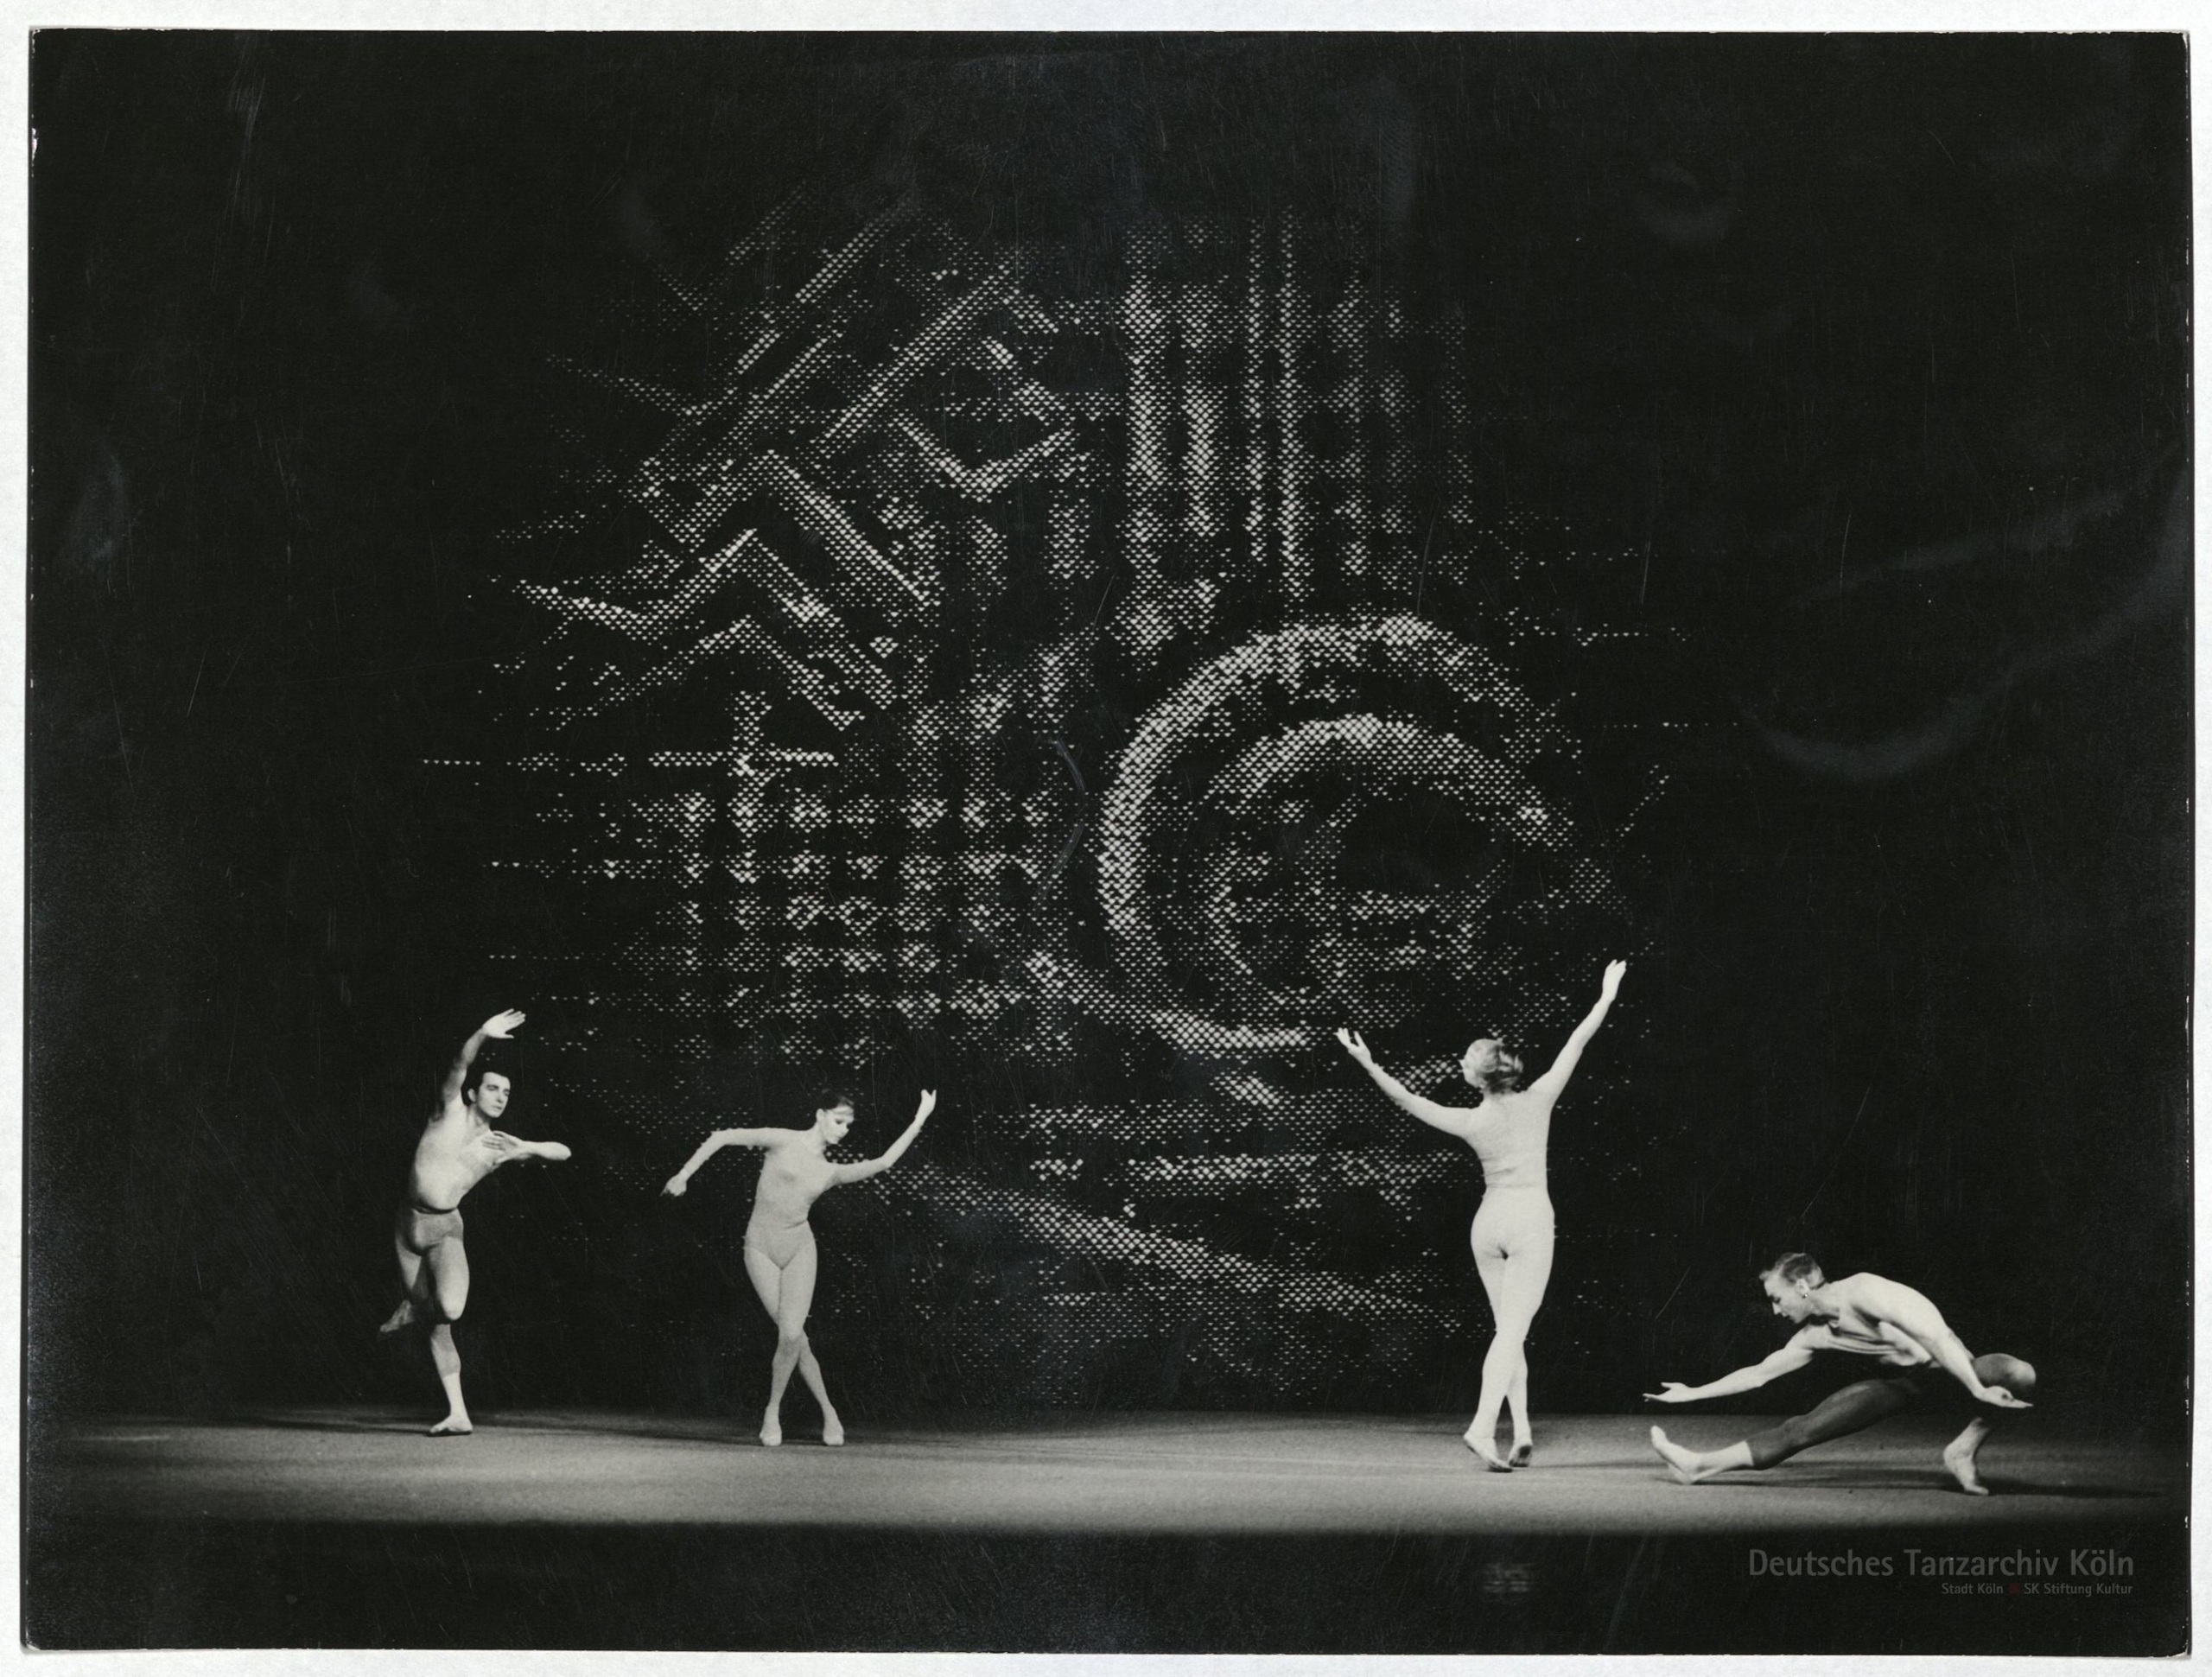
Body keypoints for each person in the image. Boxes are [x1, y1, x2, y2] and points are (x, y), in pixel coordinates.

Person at [1336, 960, 1627, 1470]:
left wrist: (1368, 1062)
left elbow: (1404, 1098)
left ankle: (1523, 1430)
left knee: (1506, 1330)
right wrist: (1605, 996)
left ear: (1479, 1075)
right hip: (1530, 1218)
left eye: (1465, 1061)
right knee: (1512, 1331)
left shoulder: (1471, 1119)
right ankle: (1481, 1426)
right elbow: (1577, 1042)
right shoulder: (1540, 1099)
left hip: (1489, 1222)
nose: (1459, 1064)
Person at [662, 1087, 936, 1446]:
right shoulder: (782, 1140)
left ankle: (772, 1411)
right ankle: (828, 1411)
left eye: (848, 1126)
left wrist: (920, 1119)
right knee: (795, 1338)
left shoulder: (830, 1171)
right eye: (839, 1121)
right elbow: (722, 1137)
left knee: (792, 1334)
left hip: (800, 1249)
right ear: (821, 1114)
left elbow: (884, 1162)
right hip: (759, 1247)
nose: (843, 1130)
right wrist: (683, 1174)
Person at [1646, 1252, 2034, 1495]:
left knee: (2018, 1373)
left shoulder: (1865, 1291)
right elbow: (1758, 1374)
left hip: (1954, 1371)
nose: (1777, 1311)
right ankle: (1698, 1466)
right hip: (1904, 1387)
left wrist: (1975, 1388)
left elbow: (1936, 1334)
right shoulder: (1815, 1336)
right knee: (1799, 1430)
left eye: (1777, 1299)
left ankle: (1962, 1450)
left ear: (1801, 1285)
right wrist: (1693, 1392)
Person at [379, 1008, 573, 1435]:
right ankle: (458, 1413)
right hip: (405, 1227)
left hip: (444, 1231)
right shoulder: (447, 1111)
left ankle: (413, 1311)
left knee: (448, 1308)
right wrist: (483, 1033)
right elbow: (459, 1064)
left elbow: (565, 1152)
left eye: (507, 1092)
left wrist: (530, 1148)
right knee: (438, 1327)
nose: (502, 1096)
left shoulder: (499, 1145)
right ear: (472, 1094)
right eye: (493, 1088)